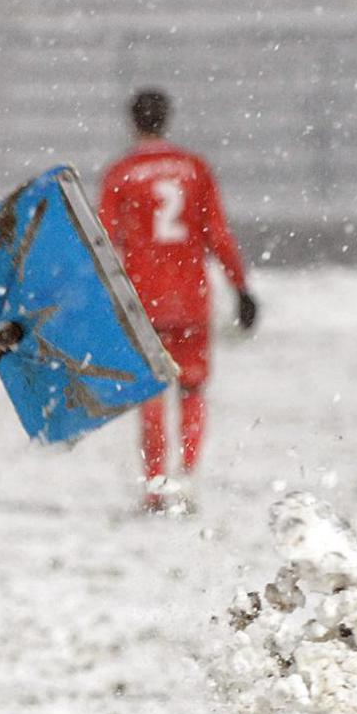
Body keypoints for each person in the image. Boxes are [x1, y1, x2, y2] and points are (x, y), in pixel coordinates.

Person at [98, 88, 257, 514]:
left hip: (143, 299)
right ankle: (185, 477)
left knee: (151, 392)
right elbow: (217, 235)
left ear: (134, 122)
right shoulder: (194, 169)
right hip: (190, 296)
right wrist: (240, 287)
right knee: (192, 387)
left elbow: (104, 240)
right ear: (167, 119)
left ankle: (155, 485)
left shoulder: (122, 174)